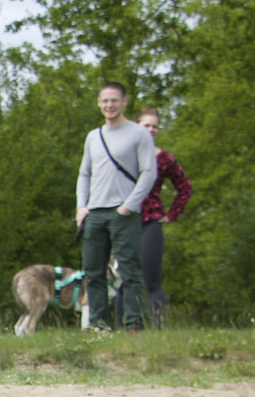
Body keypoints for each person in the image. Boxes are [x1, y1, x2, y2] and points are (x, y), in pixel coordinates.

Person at [75, 82, 158, 331]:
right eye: (104, 101)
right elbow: (84, 174)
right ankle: (98, 325)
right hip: (94, 213)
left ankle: (133, 324)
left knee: (130, 270)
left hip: (123, 213)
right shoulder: (93, 136)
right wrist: (81, 207)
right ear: (99, 103)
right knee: (94, 272)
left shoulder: (138, 133)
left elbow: (148, 173)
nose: (109, 105)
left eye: (114, 100)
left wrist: (128, 206)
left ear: (124, 102)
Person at [115, 107, 192, 328]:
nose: (150, 129)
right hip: (125, 222)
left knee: (152, 281)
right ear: (136, 126)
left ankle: (158, 330)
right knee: (126, 280)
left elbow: (185, 187)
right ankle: (122, 330)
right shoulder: (124, 155)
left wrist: (172, 214)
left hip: (151, 222)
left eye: (154, 126)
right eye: (146, 125)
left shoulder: (165, 159)